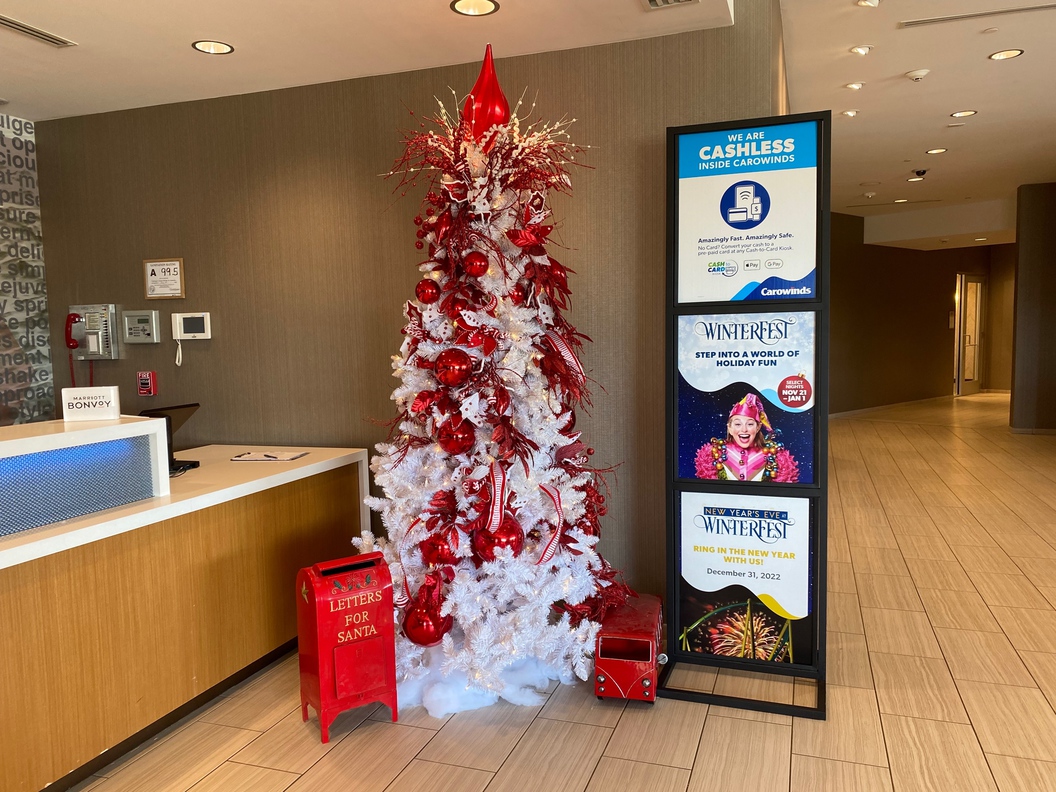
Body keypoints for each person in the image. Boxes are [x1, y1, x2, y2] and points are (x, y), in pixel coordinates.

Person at [695, 393, 799, 482]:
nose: (744, 430)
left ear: (758, 427)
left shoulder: (775, 456)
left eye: (749, 424)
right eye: (737, 424)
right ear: (730, 428)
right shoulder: (714, 454)